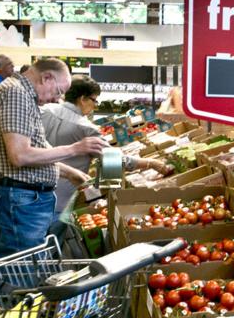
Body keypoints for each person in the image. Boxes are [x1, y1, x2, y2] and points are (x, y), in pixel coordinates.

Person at [0, 58, 104, 258]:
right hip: (18, 202)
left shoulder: (24, 96)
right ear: (46, 78)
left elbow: (36, 150)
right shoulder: (15, 94)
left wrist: (69, 172)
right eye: (58, 92)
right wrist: (74, 149)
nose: (56, 99)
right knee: (22, 274)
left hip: (20, 201)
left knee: (23, 270)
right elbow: (20, 155)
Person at [41, 76, 169, 216]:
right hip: (62, 201)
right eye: (94, 100)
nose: (96, 105)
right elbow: (115, 161)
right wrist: (151, 163)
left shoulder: (44, 111)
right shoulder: (86, 128)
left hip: (34, 194)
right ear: (82, 99)